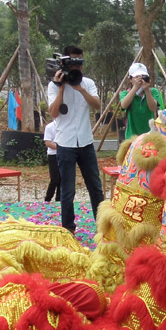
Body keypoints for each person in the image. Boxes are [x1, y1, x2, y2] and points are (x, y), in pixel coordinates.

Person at [47, 45, 104, 233]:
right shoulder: (54, 85)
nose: (78, 67)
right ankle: (68, 229)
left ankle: (102, 226)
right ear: (65, 63)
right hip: (65, 143)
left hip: (86, 142)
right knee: (67, 190)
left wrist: (79, 88)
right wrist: (62, 88)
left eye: (81, 63)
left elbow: (97, 106)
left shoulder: (88, 83)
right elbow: (54, 113)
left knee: (95, 187)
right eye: (74, 63)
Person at [120, 62, 164, 139]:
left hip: (150, 135)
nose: (140, 80)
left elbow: (153, 108)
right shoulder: (125, 93)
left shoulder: (153, 91)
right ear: (130, 79)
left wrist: (147, 90)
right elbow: (124, 105)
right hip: (132, 137)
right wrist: (135, 88)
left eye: (143, 76)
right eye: (137, 77)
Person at [43, 120, 60, 202]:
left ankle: (59, 199)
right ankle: (48, 198)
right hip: (53, 155)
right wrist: (61, 148)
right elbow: (48, 143)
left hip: (65, 155)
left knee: (62, 178)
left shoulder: (66, 126)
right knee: (55, 178)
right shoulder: (50, 127)